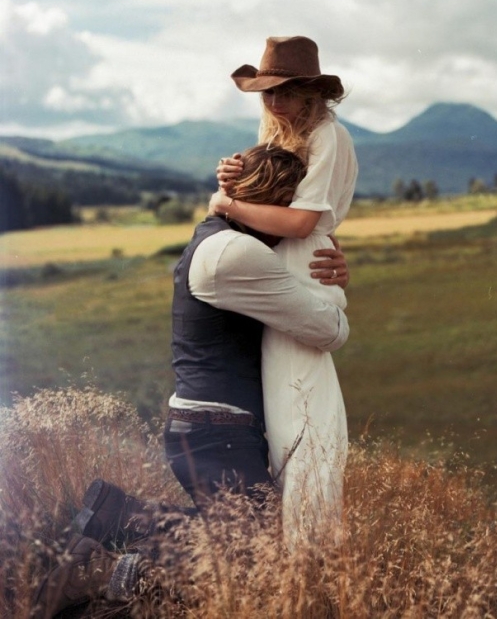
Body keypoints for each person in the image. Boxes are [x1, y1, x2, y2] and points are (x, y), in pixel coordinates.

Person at [31, 143, 350, 619]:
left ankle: (117, 542)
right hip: (216, 433)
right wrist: (334, 291)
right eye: (289, 209)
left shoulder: (216, 237)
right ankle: (108, 543)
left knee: (239, 546)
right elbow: (328, 330)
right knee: (260, 558)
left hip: (207, 430)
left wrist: (322, 264)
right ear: (271, 204)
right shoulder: (234, 253)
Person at [212, 34, 357, 548]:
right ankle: (293, 550)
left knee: (305, 412)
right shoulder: (277, 128)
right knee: (282, 414)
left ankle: (312, 552)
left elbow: (301, 223)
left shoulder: (328, 135)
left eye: (284, 92)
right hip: (280, 261)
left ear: (311, 93)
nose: (273, 102)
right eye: (266, 92)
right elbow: (276, 200)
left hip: (296, 264)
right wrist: (234, 178)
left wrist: (226, 206)